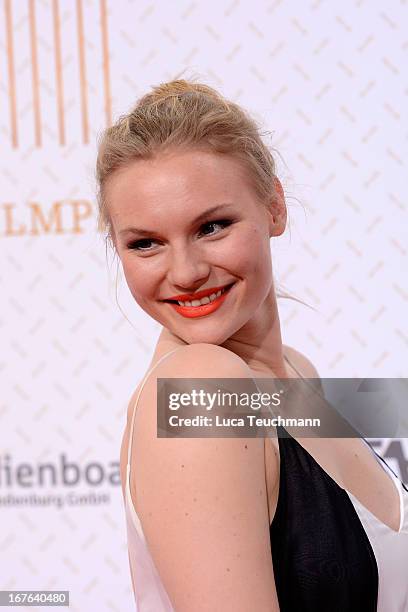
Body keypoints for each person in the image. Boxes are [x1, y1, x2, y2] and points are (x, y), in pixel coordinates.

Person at [96, 78, 408, 611]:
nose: (186, 272)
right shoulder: (200, 390)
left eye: (212, 227)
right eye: (145, 243)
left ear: (275, 208)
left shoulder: (295, 372)